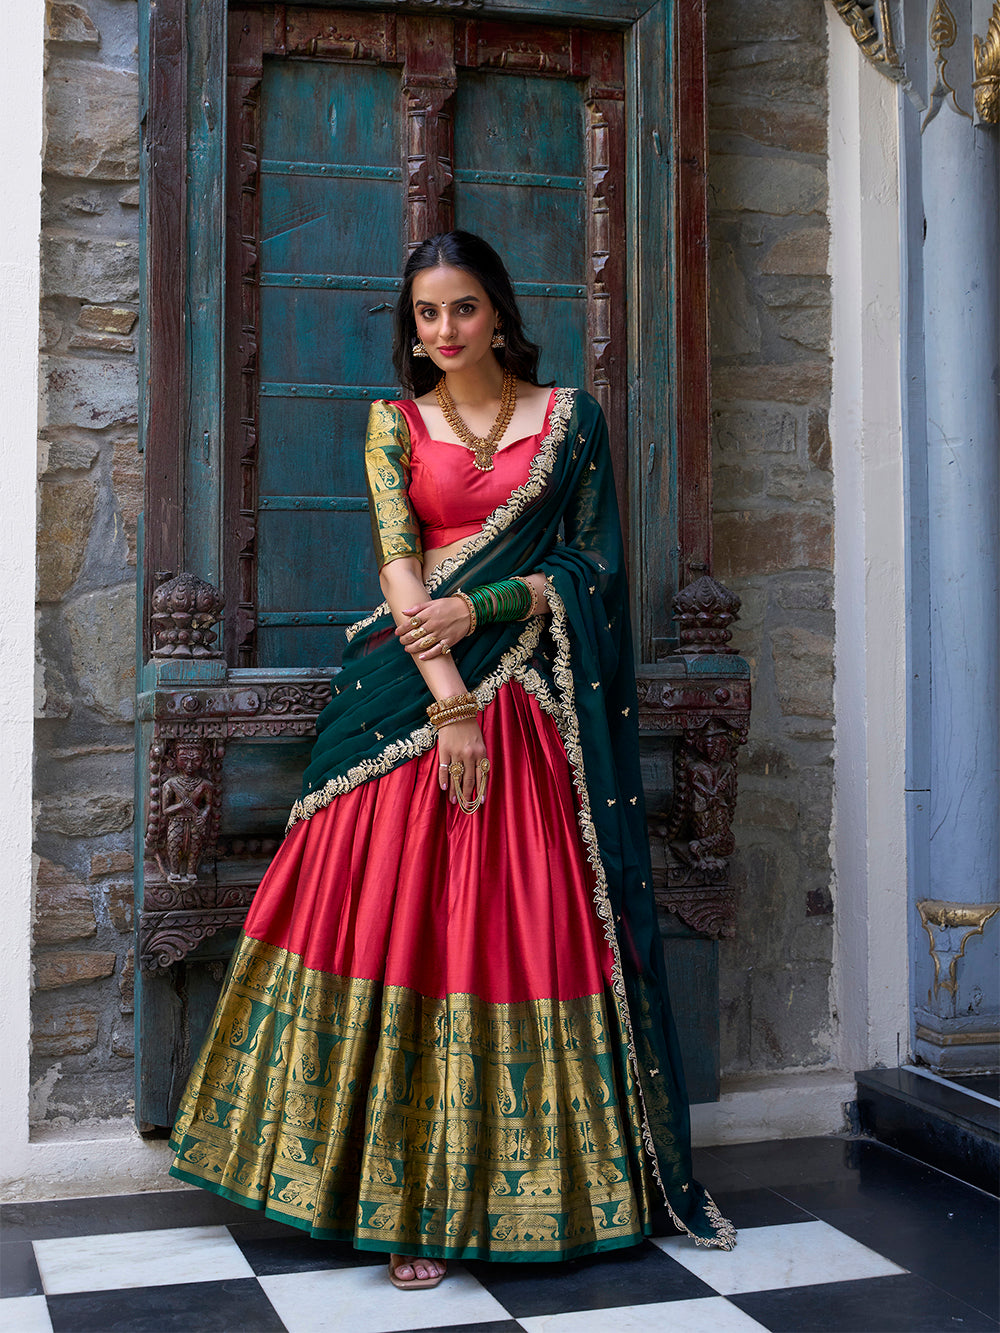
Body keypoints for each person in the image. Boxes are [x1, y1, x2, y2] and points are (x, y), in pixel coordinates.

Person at [169, 230, 736, 1289]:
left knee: (498, 928)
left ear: (497, 312)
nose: (444, 331)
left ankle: (512, 1190)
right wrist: (449, 706)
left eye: (463, 309)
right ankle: (393, 1202)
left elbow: (591, 567)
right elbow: (396, 562)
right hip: (413, 697)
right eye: (426, 315)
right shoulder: (392, 423)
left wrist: (485, 605)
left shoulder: (568, 419)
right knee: (399, 928)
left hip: (528, 695)